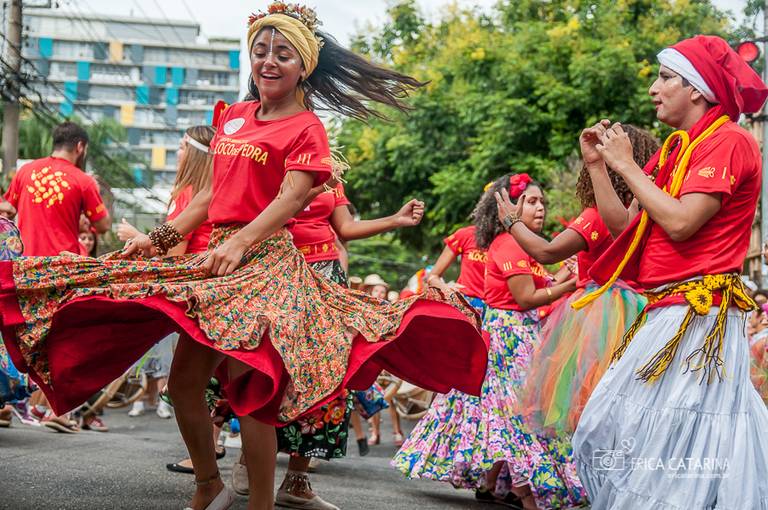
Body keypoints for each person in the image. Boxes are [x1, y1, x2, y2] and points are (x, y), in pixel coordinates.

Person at [0, 5, 487, 510]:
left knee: (254, 393)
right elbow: (211, 196)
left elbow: (292, 199)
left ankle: (260, 503)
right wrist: (161, 237)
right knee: (186, 385)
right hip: (219, 261)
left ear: (305, 66)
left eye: (283, 54)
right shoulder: (232, 118)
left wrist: (240, 243)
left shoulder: (307, 128)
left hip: (266, 267)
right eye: (260, 52)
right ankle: (209, 483)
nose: (268, 62)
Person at [571, 35, 768, 508]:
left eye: (665, 78)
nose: (654, 89)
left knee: (674, 454)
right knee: (612, 433)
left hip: (699, 320)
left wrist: (626, 164)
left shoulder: (730, 141)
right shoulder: (679, 146)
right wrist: (600, 166)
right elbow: (627, 227)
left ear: (697, 90)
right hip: (668, 311)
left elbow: (680, 222)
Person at [233, 180, 426, 509]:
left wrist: (395, 219)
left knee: (325, 379)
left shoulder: (327, 172)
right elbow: (260, 214)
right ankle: (247, 464)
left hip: (326, 275)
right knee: (271, 373)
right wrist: (303, 189)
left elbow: (345, 227)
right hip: (278, 270)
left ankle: (297, 480)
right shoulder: (273, 159)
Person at [494, 126, 659, 435]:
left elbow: (546, 251)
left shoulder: (597, 215)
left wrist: (511, 222)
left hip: (601, 316)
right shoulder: (649, 208)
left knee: (592, 409)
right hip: (646, 312)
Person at [0, 121, 110, 433]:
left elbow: (7, 208)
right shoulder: (82, 180)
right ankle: (53, 408)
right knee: (59, 338)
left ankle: (8, 404)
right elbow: (102, 226)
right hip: (61, 270)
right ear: (80, 147)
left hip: (22, 265)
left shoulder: (25, 172)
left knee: (16, 334)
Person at [392, 193, 490, 495]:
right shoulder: (465, 236)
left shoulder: (512, 242)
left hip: (498, 318)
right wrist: (448, 289)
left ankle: (485, 470)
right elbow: (433, 276)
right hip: (468, 313)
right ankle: (446, 458)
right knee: (457, 390)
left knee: (488, 396)